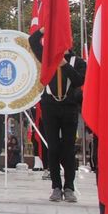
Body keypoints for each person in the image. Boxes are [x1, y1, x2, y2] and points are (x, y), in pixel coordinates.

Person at [29, 28, 86, 203]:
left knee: (68, 149)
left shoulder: (79, 62)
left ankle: (69, 187)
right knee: (52, 148)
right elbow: (32, 41)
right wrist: (44, 29)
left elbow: (80, 80)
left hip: (69, 108)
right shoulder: (47, 58)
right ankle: (56, 186)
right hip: (50, 106)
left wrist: (65, 65)